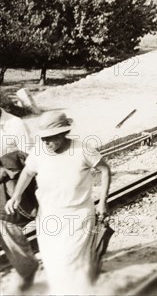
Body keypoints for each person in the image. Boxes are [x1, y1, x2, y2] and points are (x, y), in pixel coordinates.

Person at [5, 111, 111, 294]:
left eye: (50, 138)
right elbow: (28, 172)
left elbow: (105, 170)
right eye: (43, 138)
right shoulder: (39, 152)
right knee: (52, 260)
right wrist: (17, 195)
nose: (46, 142)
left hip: (78, 216)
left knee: (72, 261)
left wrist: (102, 201)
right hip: (47, 214)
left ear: (63, 134)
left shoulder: (82, 149)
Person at [0, 108, 38, 291]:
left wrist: (5, 169)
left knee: (9, 228)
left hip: (9, 187)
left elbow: (30, 158)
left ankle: (29, 273)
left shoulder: (15, 124)